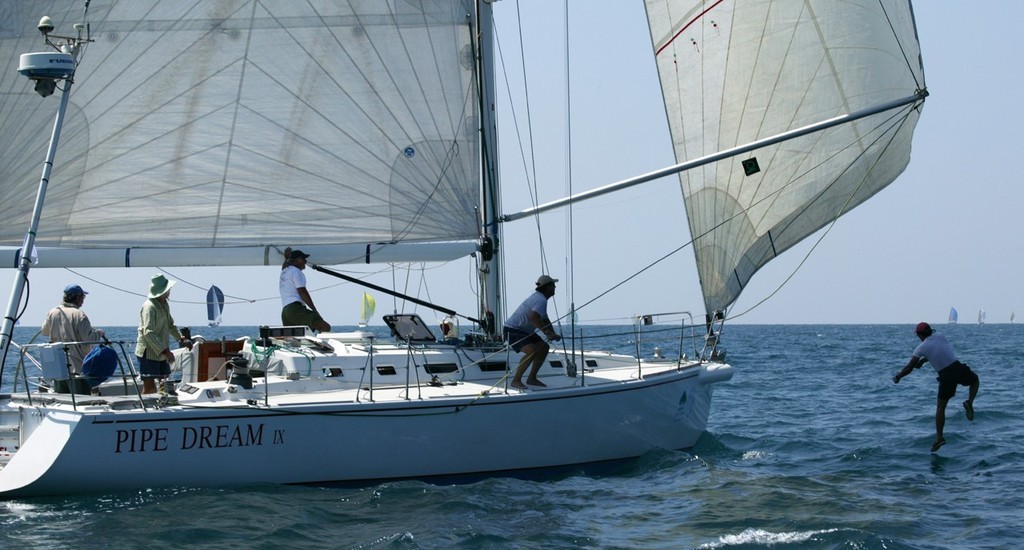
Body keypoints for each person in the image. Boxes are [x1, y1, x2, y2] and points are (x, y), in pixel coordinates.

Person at [893, 322, 980, 452]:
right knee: (975, 381)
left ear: (920, 335)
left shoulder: (920, 348)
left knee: (941, 408)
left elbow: (909, 367)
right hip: (957, 367)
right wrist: (923, 361)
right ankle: (969, 402)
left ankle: (940, 438)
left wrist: (898, 377)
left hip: (945, 375)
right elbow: (938, 350)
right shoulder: (940, 335)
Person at [503, 275, 562, 390]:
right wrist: (546, 333)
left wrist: (552, 333)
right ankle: (516, 380)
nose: (555, 287)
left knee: (544, 347)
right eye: (553, 285)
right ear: (547, 287)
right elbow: (534, 317)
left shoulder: (541, 299)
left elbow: (545, 319)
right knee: (531, 350)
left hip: (524, 331)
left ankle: (532, 378)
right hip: (512, 329)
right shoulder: (540, 300)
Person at [136, 274, 192, 394]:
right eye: (168, 290)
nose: (169, 292)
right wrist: (166, 352)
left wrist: (181, 338)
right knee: (150, 386)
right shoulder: (149, 307)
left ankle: (163, 404)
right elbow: (148, 333)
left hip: (161, 351)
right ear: (162, 291)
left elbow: (170, 325)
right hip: (148, 353)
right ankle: (147, 407)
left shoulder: (164, 304)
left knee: (165, 383)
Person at [40, 284, 106, 375]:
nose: (83, 300)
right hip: (77, 366)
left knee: (61, 388)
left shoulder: (53, 312)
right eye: (83, 297)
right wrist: (99, 333)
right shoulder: (79, 315)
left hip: (58, 367)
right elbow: (89, 339)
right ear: (78, 298)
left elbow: (45, 331)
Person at [280, 249, 331, 332]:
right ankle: (323, 345)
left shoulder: (284, 271)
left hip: (285, 312)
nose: (305, 261)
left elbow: (284, 266)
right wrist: (314, 310)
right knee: (324, 326)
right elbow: (302, 292)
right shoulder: (296, 272)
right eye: (303, 259)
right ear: (297, 260)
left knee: (294, 337)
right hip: (295, 309)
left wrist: (286, 258)